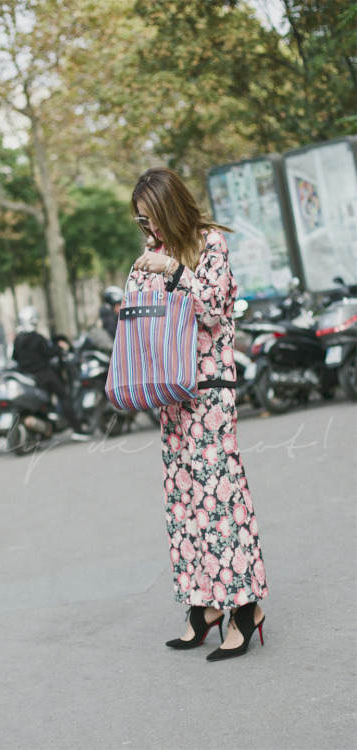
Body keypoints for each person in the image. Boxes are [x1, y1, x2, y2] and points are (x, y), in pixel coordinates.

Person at [130, 167, 268, 661]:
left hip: (209, 390)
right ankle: (203, 604)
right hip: (171, 393)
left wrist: (174, 273)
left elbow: (214, 308)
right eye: (142, 223)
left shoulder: (209, 243)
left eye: (152, 219)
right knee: (185, 501)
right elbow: (140, 315)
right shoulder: (154, 253)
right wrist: (142, 272)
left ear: (170, 208)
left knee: (221, 498)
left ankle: (244, 606)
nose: (149, 231)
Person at [12, 306, 89, 441]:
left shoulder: (18, 339)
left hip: (25, 376)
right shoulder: (37, 338)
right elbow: (49, 352)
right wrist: (60, 348)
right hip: (43, 374)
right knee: (63, 395)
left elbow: (15, 357)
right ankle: (77, 429)